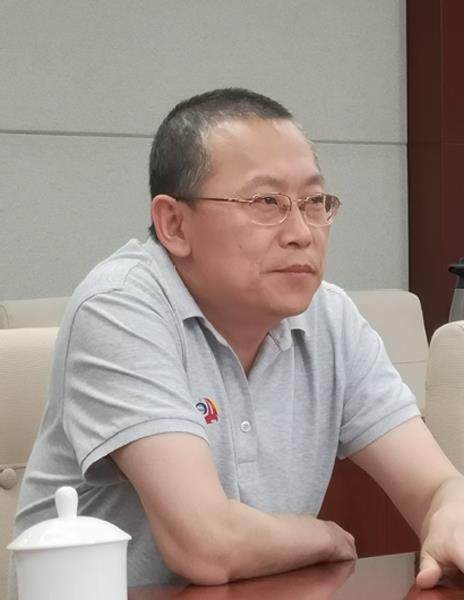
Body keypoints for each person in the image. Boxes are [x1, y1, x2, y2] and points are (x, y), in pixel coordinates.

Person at [10, 88, 464, 594]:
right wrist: (324, 537)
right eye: (266, 202)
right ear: (174, 224)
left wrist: (449, 516)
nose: (302, 232)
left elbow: (438, 487)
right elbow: (203, 543)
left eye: (314, 202)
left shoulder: (329, 317)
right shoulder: (119, 308)